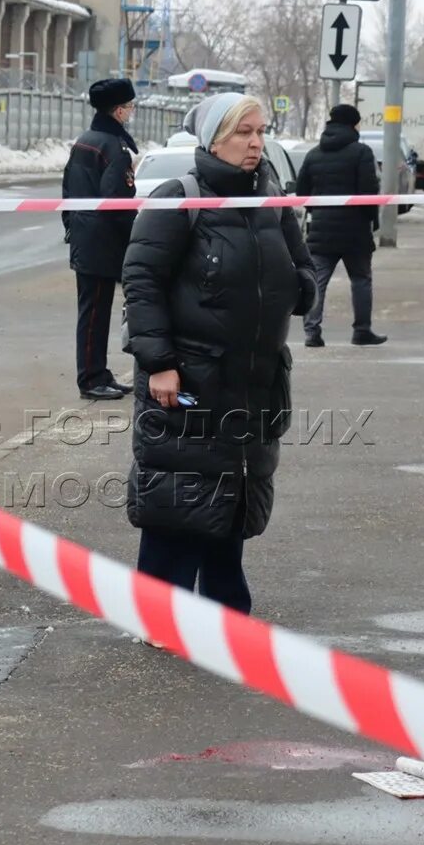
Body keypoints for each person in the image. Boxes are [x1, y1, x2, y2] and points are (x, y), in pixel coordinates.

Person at [122, 93, 317, 612]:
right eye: (243, 133)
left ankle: (225, 608)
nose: (256, 143)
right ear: (213, 140)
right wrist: (159, 363)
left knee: (234, 494)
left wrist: (298, 289)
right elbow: (141, 285)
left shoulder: (271, 200)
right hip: (186, 381)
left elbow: (304, 268)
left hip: (254, 380)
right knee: (177, 496)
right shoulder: (178, 197)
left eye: (260, 131)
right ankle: (161, 613)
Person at [62, 77, 141, 401]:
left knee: (93, 312)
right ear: (119, 110)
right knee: (95, 314)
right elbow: (117, 202)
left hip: (86, 237)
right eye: (130, 107)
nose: (131, 113)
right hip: (103, 243)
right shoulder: (114, 148)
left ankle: (99, 372)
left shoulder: (85, 140)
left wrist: (74, 227)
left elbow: (67, 192)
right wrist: (134, 239)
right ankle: (92, 379)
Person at [294, 103, 387, 348]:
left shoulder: (314, 154)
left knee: (319, 281)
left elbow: (302, 192)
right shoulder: (362, 152)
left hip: (322, 230)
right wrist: (371, 221)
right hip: (355, 231)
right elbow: (369, 191)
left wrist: (318, 211)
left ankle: (312, 333)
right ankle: (362, 331)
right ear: (353, 124)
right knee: (361, 279)